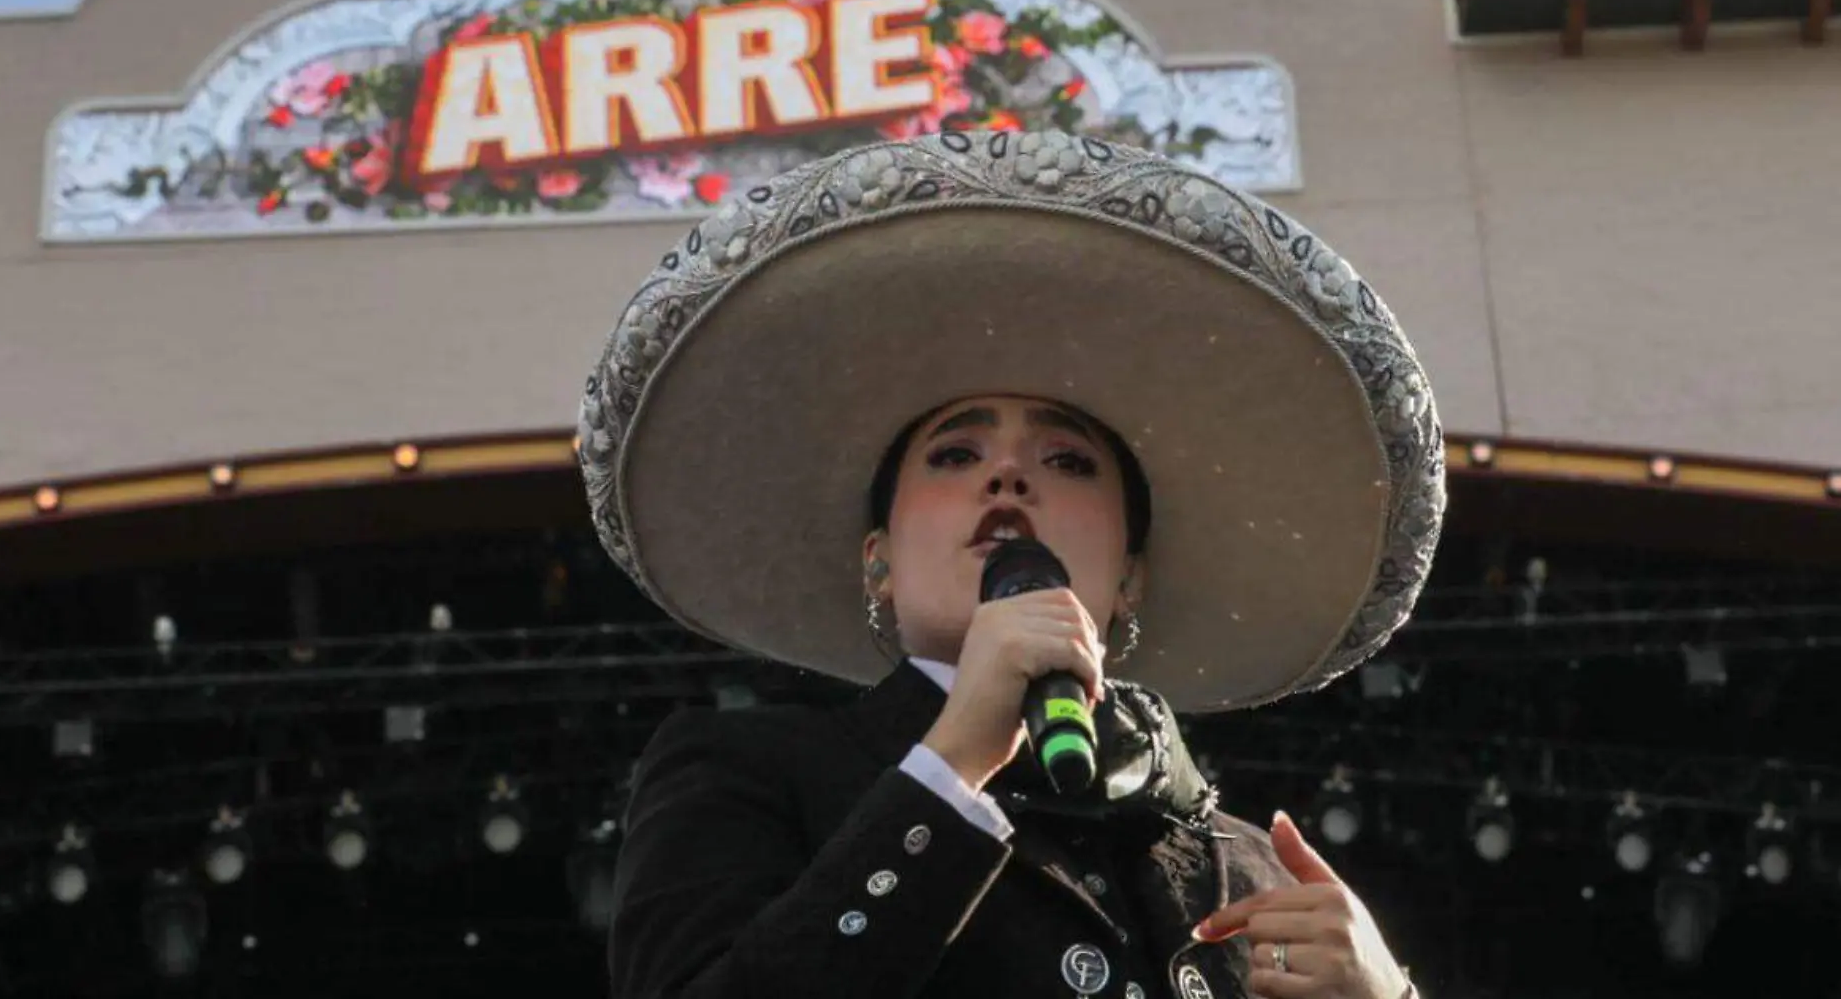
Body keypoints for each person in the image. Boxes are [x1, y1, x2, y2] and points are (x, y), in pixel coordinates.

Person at [578, 130, 1447, 999]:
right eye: (954, 455)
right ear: (876, 560)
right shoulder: (747, 772)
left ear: (1130, 576)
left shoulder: (1253, 869)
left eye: (1068, 461)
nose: (1008, 474)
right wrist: (953, 761)